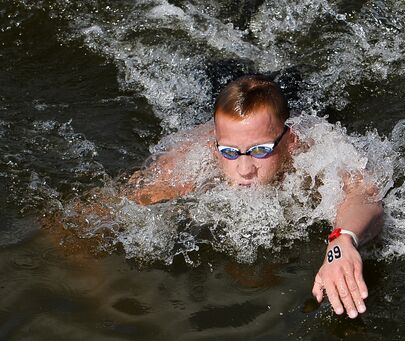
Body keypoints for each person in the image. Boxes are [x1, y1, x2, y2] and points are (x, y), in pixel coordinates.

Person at [126, 75, 383, 319]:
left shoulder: (316, 148)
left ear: (290, 141)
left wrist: (342, 239)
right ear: (214, 149)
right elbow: (116, 206)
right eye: (229, 152)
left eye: (260, 151)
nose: (245, 169)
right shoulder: (189, 161)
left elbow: (364, 193)